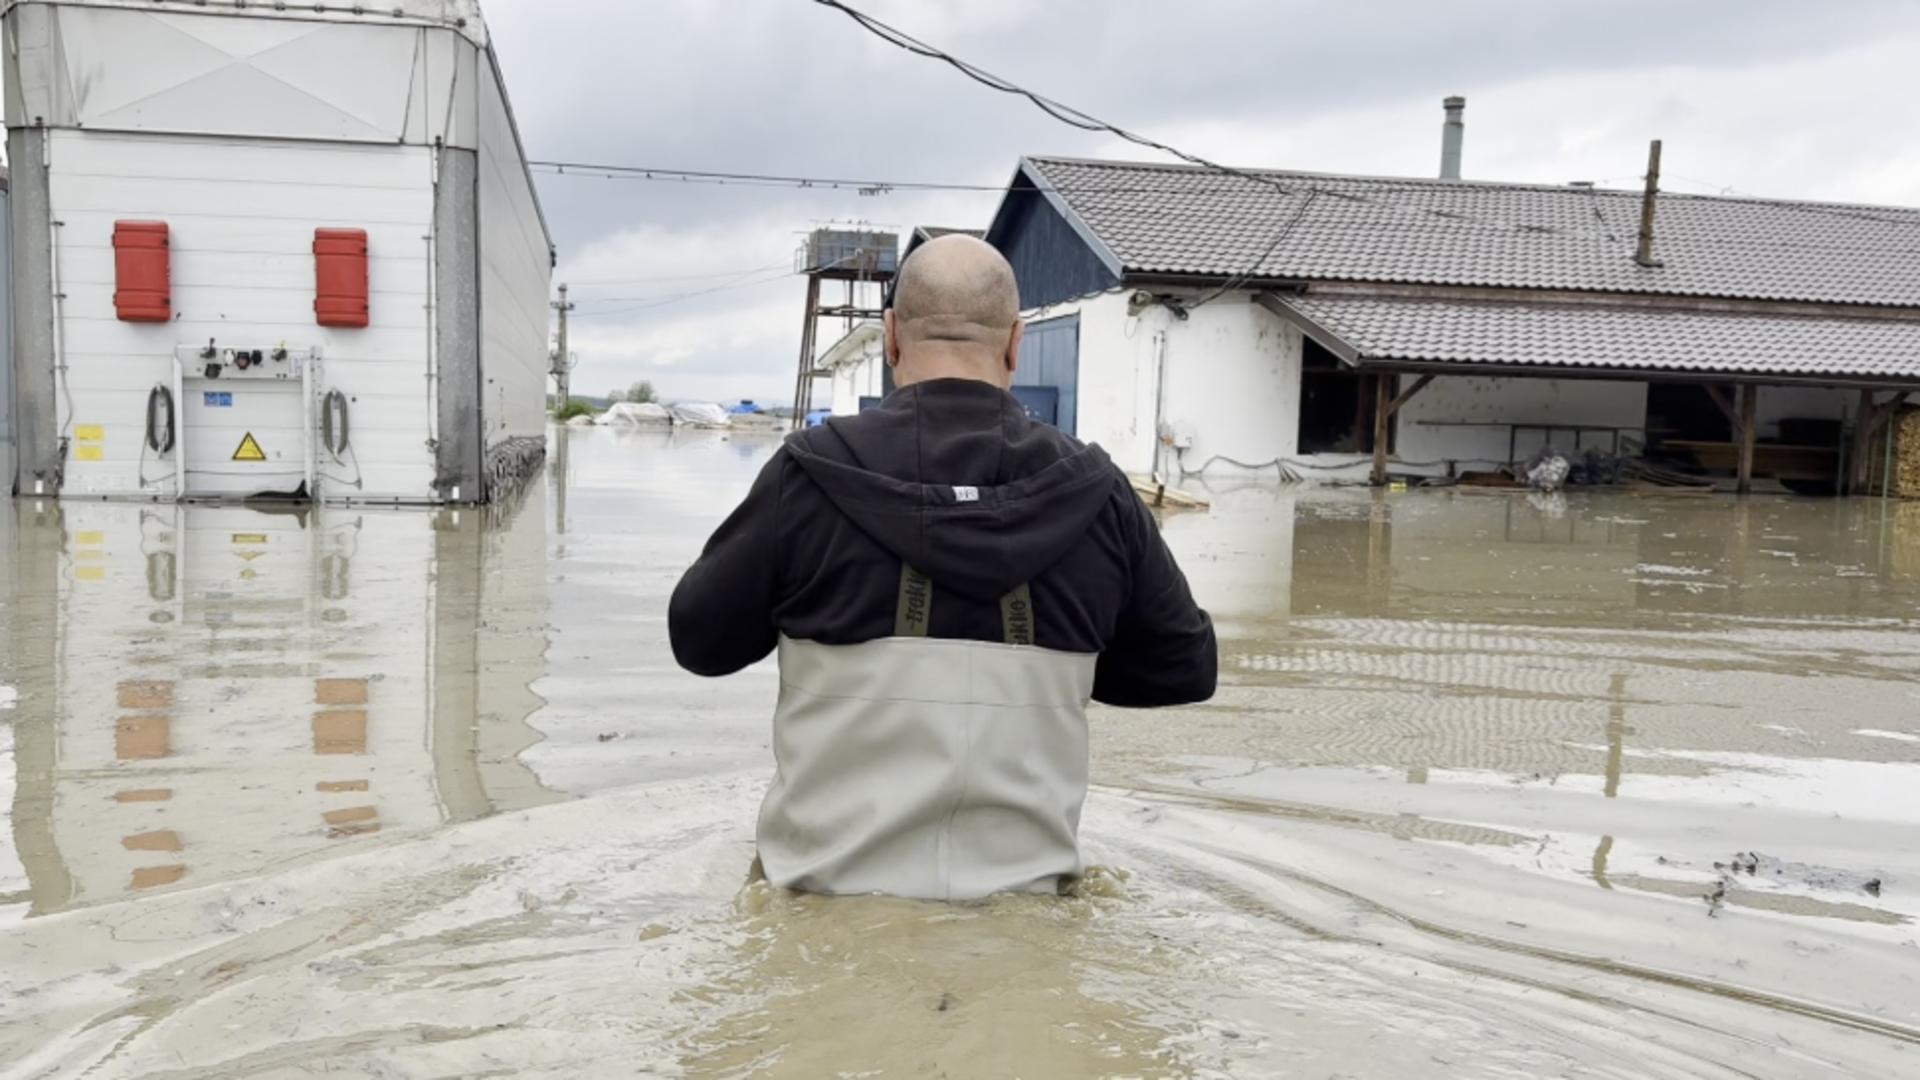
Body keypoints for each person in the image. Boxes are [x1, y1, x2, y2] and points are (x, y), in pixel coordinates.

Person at [669, 235, 1216, 901]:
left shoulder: (808, 474)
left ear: (891, 337)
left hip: (821, 913)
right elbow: (1181, 670)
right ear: (1016, 343)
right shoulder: (1099, 493)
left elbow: (700, 644)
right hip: (1030, 914)